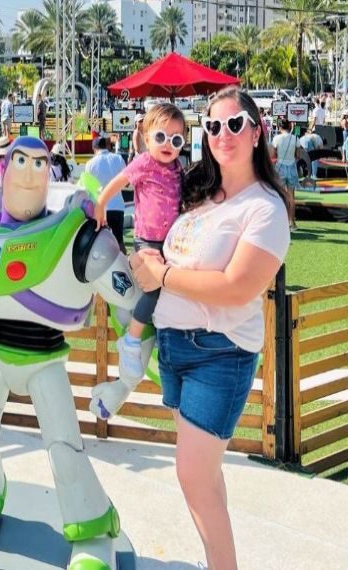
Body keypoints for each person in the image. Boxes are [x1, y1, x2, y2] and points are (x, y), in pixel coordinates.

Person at [0, 136, 146, 570]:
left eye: (41, 163)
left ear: (52, 172)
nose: (30, 172)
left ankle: (95, 531)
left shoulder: (79, 238)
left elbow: (130, 307)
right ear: (0, 171)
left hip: (45, 359)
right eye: (20, 161)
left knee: (64, 446)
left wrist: (126, 380)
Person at [130, 86, 292, 570]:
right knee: (206, 476)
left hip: (218, 355)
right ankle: (218, 562)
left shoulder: (265, 207)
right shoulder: (201, 194)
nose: (224, 134)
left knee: (192, 477)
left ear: (256, 131)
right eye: (214, 127)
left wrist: (162, 276)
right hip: (176, 349)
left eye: (235, 124)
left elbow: (237, 288)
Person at [93, 103, 185, 387]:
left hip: (171, 244)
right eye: (161, 137)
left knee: (174, 291)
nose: (168, 145)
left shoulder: (178, 168)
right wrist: (100, 206)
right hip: (147, 241)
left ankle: (155, 336)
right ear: (146, 138)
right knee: (154, 290)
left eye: (176, 140)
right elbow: (116, 183)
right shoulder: (144, 163)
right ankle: (132, 339)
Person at [84, 133, 127, 253]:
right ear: (106, 146)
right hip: (117, 205)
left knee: (98, 242)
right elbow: (126, 180)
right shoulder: (117, 158)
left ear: (94, 148)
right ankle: (126, 267)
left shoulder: (90, 163)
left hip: (100, 209)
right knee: (119, 240)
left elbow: (89, 188)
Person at [272, 119, 301, 198]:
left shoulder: (276, 138)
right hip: (292, 166)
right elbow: (298, 155)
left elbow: (273, 155)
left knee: (280, 193)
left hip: (280, 166)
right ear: (289, 126)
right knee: (291, 195)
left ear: (279, 127)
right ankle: (291, 210)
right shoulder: (295, 138)